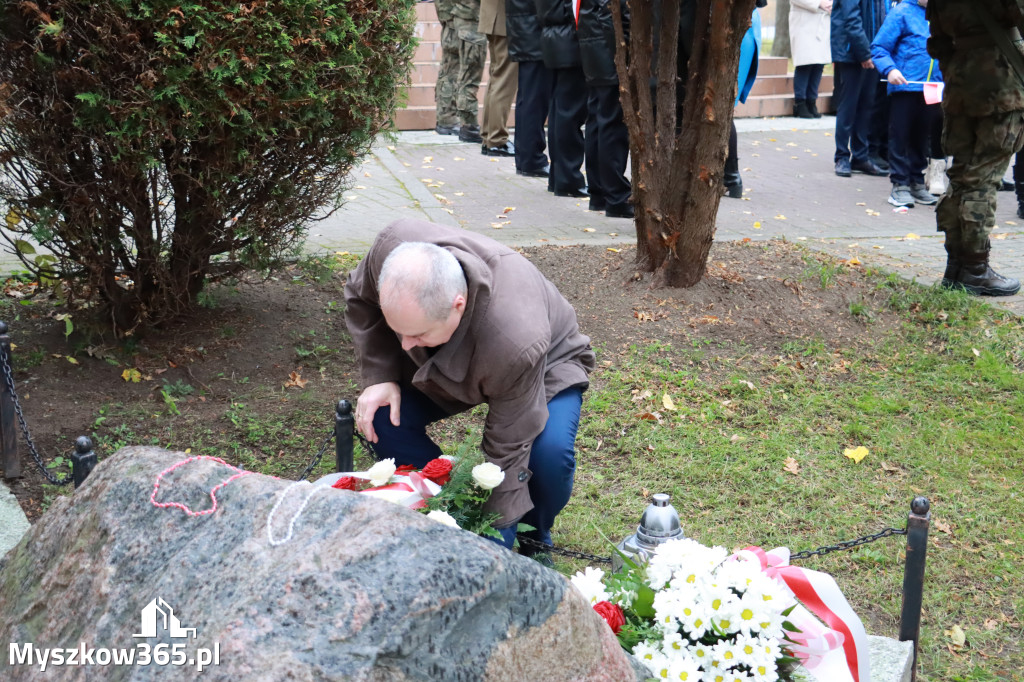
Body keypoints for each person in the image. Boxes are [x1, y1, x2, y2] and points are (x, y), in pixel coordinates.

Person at [344, 219, 596, 555]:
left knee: (547, 455)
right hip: (441, 357)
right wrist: (381, 374)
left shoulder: (516, 339)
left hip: (546, 361)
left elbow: (506, 450)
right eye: (398, 331)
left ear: (457, 305)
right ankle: (446, 509)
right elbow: (361, 301)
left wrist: (493, 548)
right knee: (382, 415)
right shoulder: (393, 250)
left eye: (416, 334)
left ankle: (534, 535)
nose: (403, 345)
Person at [928, 0, 1021, 296]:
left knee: (961, 175)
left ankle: (956, 266)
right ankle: (976, 270)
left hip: (960, 90)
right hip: (1003, 89)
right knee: (983, 179)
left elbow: (938, 44)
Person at [870, 0, 943, 208]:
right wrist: (890, 70)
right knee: (900, 135)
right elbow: (879, 47)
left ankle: (916, 182)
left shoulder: (941, 14)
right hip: (905, 86)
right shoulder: (901, 12)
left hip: (932, 88)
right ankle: (899, 184)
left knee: (922, 137)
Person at [578, 0, 633, 217]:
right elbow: (610, 12)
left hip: (594, 43)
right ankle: (615, 196)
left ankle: (600, 193)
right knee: (611, 122)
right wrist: (625, 52)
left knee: (598, 119)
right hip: (605, 48)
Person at [537, 0, 590, 197]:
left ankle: (560, 177)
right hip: (568, 39)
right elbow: (573, 8)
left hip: (556, 37)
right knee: (569, 114)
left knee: (561, 112)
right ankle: (568, 179)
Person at [831, 0, 889, 177]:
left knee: (866, 107)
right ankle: (841, 157)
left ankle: (860, 157)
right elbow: (852, 20)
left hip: (872, 53)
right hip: (851, 53)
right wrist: (864, 53)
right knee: (848, 108)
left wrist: (877, 52)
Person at [506, 0, 553, 177]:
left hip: (526, 29)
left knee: (530, 98)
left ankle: (528, 158)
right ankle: (531, 159)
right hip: (531, 31)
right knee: (534, 100)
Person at [478, 0, 517, 156]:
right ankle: (496, 139)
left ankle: (489, 136)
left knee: (497, 77)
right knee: (504, 80)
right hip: (503, 19)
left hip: (496, 18)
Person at [789, 0, 833, 119]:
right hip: (804, 21)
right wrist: (819, 3)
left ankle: (811, 100)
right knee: (805, 63)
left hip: (822, 21)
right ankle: (800, 103)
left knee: (818, 65)